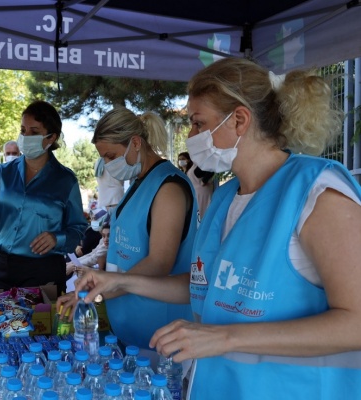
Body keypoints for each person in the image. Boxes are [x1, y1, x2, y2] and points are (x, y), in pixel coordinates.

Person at [77, 58, 361, 400]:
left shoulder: (317, 193)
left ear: (239, 119)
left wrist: (224, 336)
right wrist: (121, 281)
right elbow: (205, 286)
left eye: (198, 123)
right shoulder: (226, 198)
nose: (191, 136)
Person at [57, 107, 197, 354]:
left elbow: (160, 262)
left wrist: (102, 288)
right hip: (128, 327)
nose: (108, 165)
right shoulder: (138, 183)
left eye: (111, 156)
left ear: (135, 143)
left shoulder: (168, 188)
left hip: (158, 334)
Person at [0, 100, 87, 294]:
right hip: (4, 268)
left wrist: (57, 238)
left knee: (41, 324)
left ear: (51, 137)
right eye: (23, 130)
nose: (26, 136)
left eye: (34, 132)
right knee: (0, 321)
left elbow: (77, 228)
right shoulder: (2, 173)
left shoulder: (65, 180)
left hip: (45, 271)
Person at [177, 151, 214, 220]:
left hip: (202, 194)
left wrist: (204, 181)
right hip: (197, 194)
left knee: (204, 212)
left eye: (183, 159)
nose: (181, 161)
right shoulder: (189, 170)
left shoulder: (195, 168)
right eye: (179, 159)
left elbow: (211, 170)